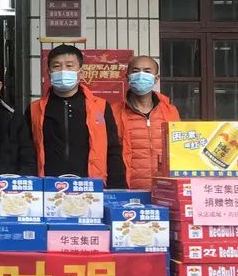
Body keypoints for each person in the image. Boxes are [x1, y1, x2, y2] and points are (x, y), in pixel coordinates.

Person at [22, 44, 127, 187]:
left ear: (80, 72)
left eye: (69, 66)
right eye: (57, 66)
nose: (63, 71)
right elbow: (27, 152)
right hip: (48, 186)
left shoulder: (100, 107)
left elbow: (113, 148)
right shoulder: (34, 109)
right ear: (48, 72)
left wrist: (117, 186)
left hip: (91, 185)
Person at [110, 54, 181, 190]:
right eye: (136, 71)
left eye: (147, 71)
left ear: (156, 78)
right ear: (127, 77)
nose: (141, 75)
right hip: (127, 189)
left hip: (165, 188)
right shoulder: (113, 111)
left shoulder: (170, 111)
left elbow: (178, 149)